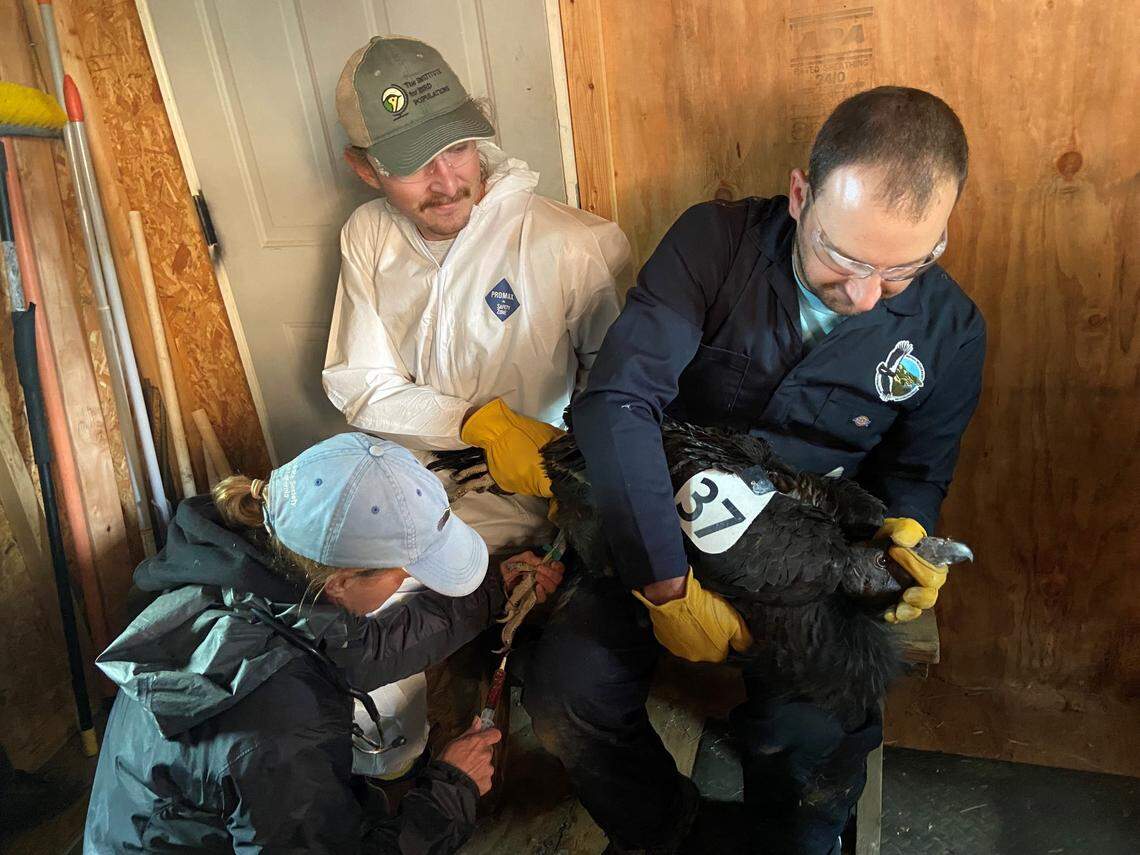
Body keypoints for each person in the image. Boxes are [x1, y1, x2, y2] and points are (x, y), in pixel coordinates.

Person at [489, 87, 986, 853]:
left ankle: (793, 839)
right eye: (843, 257)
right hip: (654, 515)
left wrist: (904, 539)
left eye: (903, 270)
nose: (863, 295)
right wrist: (663, 583)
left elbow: (919, 469)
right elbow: (619, 402)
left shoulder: (950, 331)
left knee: (811, 730)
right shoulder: (712, 244)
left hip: (804, 558)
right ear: (799, 196)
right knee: (568, 691)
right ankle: (670, 831)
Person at [83, 433, 563, 854]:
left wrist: (492, 592)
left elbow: (362, 649)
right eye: (406, 574)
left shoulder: (247, 580)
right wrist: (449, 792)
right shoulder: (278, 731)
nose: (409, 583)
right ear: (343, 581)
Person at [322, 35, 630, 557]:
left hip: (524, 494)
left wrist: (575, 486)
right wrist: (473, 423)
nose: (447, 182)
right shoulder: (368, 234)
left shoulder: (576, 245)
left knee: (404, 599)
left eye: (458, 148)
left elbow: (618, 403)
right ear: (364, 168)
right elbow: (362, 384)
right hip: (406, 476)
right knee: (324, 577)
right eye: (411, 165)